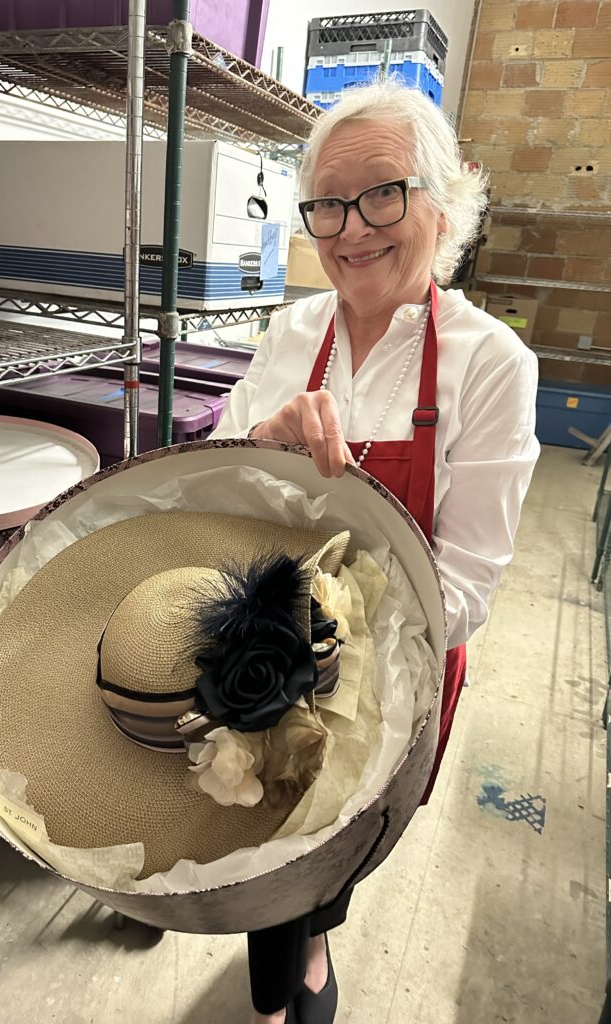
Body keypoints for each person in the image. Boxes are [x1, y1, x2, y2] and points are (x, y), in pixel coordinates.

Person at [210, 80, 540, 1024]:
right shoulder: (289, 333)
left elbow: (468, 587)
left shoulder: (490, 364)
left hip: (394, 673)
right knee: (256, 822)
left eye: (382, 194)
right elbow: (207, 499)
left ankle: (308, 948)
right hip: (261, 648)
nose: (350, 228)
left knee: (335, 839)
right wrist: (258, 446)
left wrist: (331, 632)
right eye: (326, 203)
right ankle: (286, 974)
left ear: (444, 202)